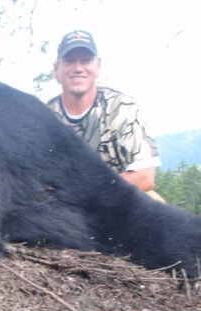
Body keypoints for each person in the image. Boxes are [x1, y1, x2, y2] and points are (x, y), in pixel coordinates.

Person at [47, 30, 164, 201]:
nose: (78, 68)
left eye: (86, 61)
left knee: (154, 201)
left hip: (116, 200)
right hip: (63, 206)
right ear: (56, 69)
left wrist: (90, 191)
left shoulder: (121, 107)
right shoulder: (45, 117)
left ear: (98, 66)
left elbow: (145, 177)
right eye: (69, 61)